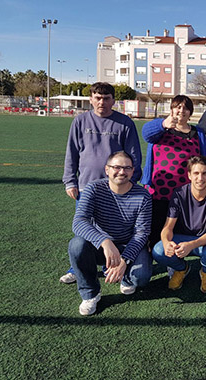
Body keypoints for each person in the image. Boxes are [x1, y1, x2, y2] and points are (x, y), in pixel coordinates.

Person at [61, 82, 143, 284]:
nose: (102, 102)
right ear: (91, 99)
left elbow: (134, 155)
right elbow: (71, 153)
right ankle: (77, 266)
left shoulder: (125, 123)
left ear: (113, 100)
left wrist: (129, 183)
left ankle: (117, 264)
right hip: (86, 188)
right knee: (85, 229)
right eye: (97, 98)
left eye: (106, 98)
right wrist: (70, 181)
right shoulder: (80, 121)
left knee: (117, 229)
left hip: (117, 189)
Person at [68, 151, 152, 315]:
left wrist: (124, 260)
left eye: (127, 168)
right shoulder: (93, 188)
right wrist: (104, 242)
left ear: (132, 171)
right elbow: (79, 222)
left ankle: (126, 276)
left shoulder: (143, 195)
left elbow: (141, 233)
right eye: (117, 167)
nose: (122, 172)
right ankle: (90, 293)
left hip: (128, 245)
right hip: (102, 247)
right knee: (76, 245)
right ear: (107, 169)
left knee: (140, 277)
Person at [141, 95, 206, 249]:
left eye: (186, 108)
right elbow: (146, 134)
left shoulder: (198, 134)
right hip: (158, 192)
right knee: (154, 232)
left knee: (176, 232)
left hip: (184, 195)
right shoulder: (160, 129)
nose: (181, 110)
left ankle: (175, 267)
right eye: (178, 106)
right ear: (172, 109)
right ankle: (150, 262)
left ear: (190, 112)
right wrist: (164, 124)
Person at [151, 155, 206, 293]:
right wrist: (167, 242)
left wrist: (191, 245)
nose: (200, 178)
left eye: (204, 173)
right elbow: (168, 227)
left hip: (204, 240)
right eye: (196, 173)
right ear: (189, 175)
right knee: (159, 250)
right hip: (180, 237)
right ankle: (181, 268)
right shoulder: (179, 193)